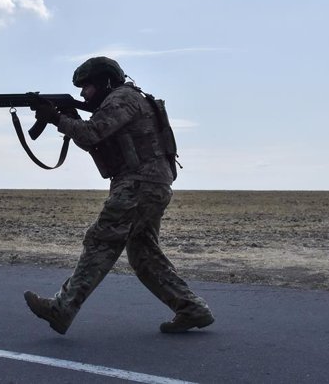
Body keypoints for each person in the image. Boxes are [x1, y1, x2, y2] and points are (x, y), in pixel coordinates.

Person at [24, 56, 214, 334]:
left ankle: (62, 308)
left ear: (105, 82)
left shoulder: (122, 98)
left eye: (86, 87)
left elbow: (92, 134)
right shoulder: (126, 99)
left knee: (101, 241)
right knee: (143, 254)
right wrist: (65, 118)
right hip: (150, 184)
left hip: (139, 185)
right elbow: (94, 140)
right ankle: (191, 308)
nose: (82, 94)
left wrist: (57, 118)